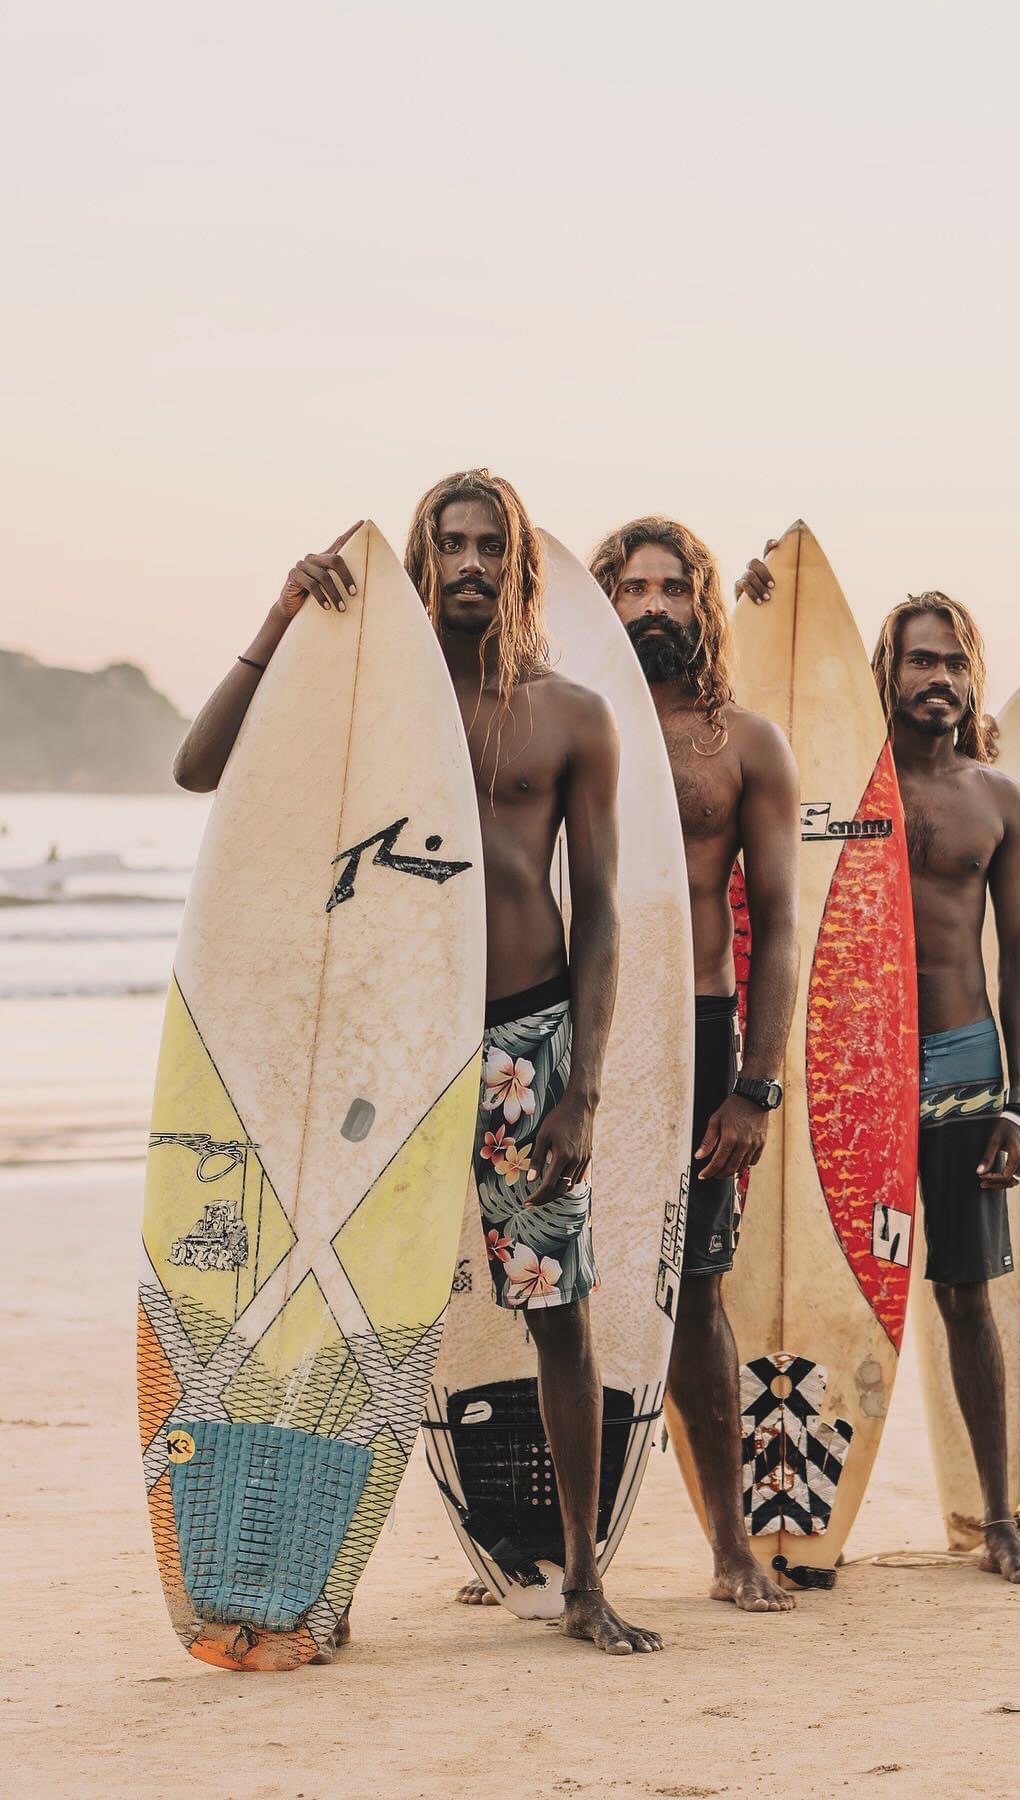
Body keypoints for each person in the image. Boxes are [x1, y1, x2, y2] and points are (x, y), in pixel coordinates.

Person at [174, 471, 663, 1655]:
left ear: (519, 563)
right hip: (388, 1044)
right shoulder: (363, 701)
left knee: (559, 1311)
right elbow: (201, 771)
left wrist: (582, 1089)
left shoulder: (572, 717)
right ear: (419, 557)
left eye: (490, 545)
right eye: (447, 545)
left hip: (522, 1038)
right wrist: (283, 615)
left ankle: (587, 1579)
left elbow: (597, 914)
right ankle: (317, 1579)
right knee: (346, 1314)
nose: (469, 565)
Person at [589, 518, 801, 1613]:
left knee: (700, 1290)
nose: (655, 606)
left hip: (698, 1030)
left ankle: (729, 1547)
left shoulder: (746, 746)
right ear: (601, 601)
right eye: (632, 588)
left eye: (675, 587)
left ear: (704, 606)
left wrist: (757, 1084)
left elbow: (777, 919)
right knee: (557, 1282)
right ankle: (550, 1534)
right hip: (575, 1024)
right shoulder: (563, 721)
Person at [870, 591, 1020, 1584]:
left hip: (965, 1067)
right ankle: (808, 1517)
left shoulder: (998, 796)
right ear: (888, 673)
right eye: (919, 662)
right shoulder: (849, 785)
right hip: (861, 1067)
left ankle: (997, 1520)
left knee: (966, 1295)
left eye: (953, 663)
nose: (938, 678)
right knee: (836, 1292)